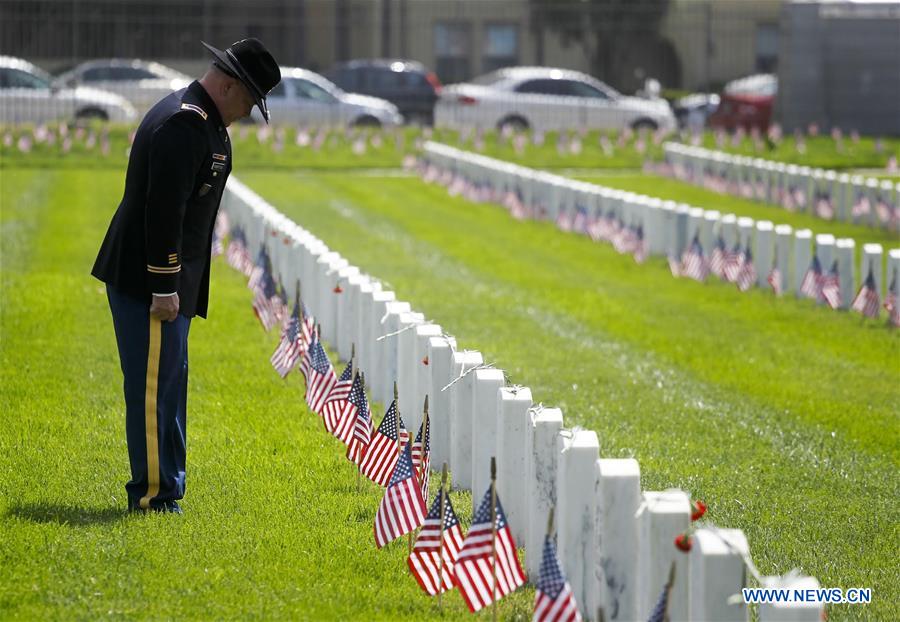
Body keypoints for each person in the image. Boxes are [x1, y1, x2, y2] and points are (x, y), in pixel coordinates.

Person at [92, 39, 280, 513]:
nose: (245, 114)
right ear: (229, 86)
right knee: (155, 391)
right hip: (149, 281)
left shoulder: (202, 118)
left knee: (170, 385)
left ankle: (168, 485)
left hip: (171, 280)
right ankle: (153, 495)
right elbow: (164, 211)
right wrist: (164, 286)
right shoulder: (186, 122)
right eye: (248, 101)